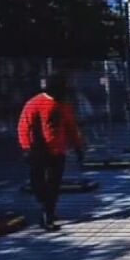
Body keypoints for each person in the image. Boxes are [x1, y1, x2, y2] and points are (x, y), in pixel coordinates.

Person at [17, 73, 85, 231]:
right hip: (38, 151)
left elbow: (71, 128)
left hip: (58, 151)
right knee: (38, 183)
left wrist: (78, 147)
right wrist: (26, 148)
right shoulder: (35, 104)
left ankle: (48, 214)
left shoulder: (64, 106)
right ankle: (44, 203)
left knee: (54, 184)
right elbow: (23, 127)